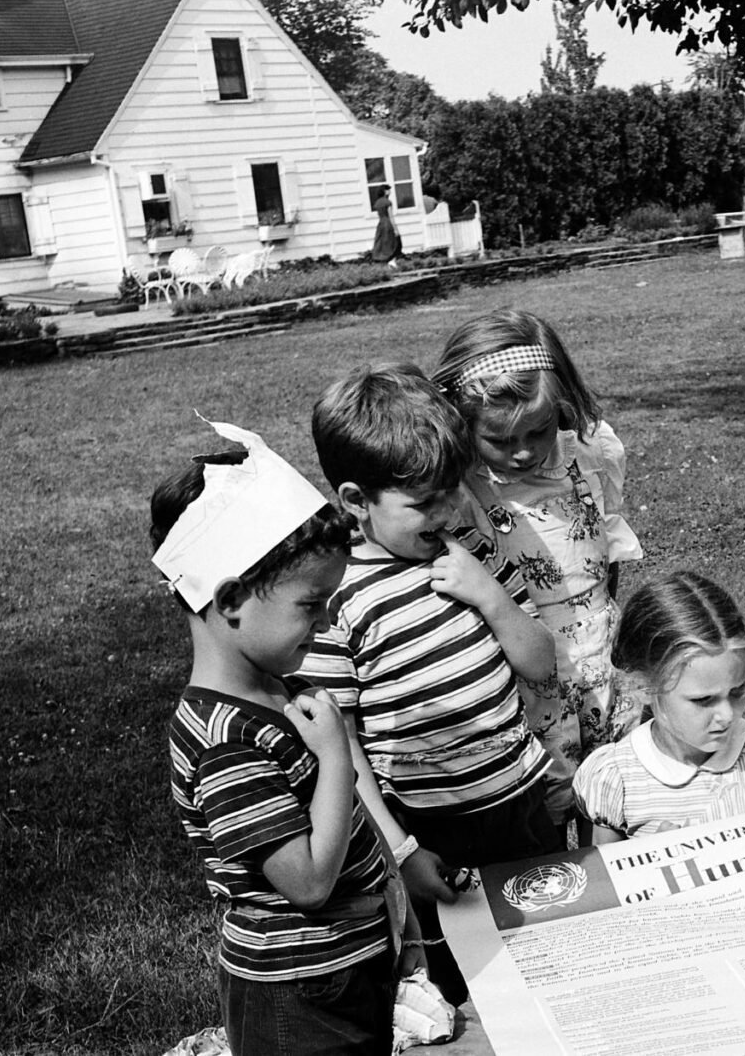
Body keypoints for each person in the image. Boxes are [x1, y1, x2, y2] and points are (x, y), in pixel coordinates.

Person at [156, 419, 424, 1055]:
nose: (328, 618)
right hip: (297, 996)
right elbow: (305, 881)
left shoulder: (279, 687)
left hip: (341, 970)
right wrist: (336, 758)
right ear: (230, 602)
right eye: (311, 604)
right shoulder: (225, 739)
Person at [300, 363, 558, 1008]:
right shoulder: (335, 596)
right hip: (430, 824)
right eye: (423, 503)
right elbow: (344, 741)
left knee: (555, 953)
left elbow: (540, 664)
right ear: (356, 501)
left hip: (519, 797)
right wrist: (401, 847)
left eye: (452, 491)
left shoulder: (468, 550)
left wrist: (492, 598)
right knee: (466, 987)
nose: (447, 511)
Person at [435, 308, 644, 837]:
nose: (524, 451)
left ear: (563, 404)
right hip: (520, 689)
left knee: (611, 805)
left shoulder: (592, 455)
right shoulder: (460, 490)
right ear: (462, 423)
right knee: (541, 825)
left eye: (539, 429)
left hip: (601, 671)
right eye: (501, 441)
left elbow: (604, 551)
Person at [574, 572, 745, 840]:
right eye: (703, 700)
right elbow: (608, 878)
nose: (727, 715)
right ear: (644, 687)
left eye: (737, 691)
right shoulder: (617, 780)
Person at [371, 187, 401, 264]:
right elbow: (391, 216)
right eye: (388, 190)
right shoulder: (388, 202)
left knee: (382, 242)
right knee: (392, 242)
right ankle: (391, 260)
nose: (390, 191)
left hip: (381, 223)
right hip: (387, 223)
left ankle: (382, 259)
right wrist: (396, 229)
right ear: (384, 191)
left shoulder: (377, 203)